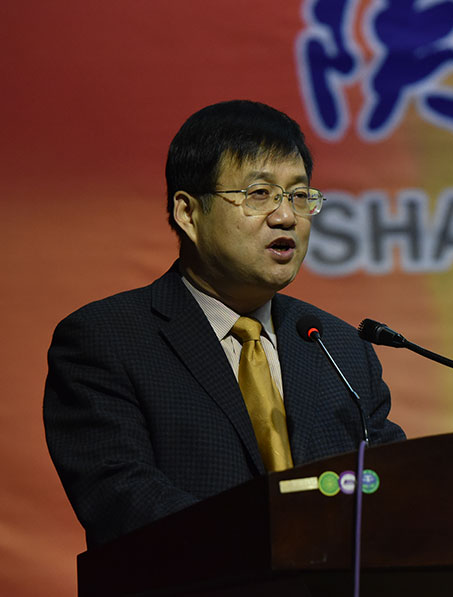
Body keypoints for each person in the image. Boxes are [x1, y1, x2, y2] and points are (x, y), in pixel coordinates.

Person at [43, 100, 405, 547]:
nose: (286, 216)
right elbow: (124, 498)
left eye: (299, 195)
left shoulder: (341, 348)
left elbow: (395, 486)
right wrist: (278, 544)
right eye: (259, 194)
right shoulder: (106, 341)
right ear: (188, 213)